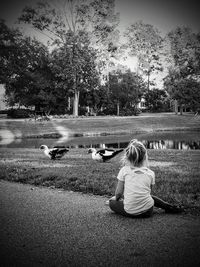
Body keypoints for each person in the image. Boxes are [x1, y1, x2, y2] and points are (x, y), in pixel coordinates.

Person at [108, 139, 184, 218]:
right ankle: (169, 207)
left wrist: (115, 198)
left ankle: (129, 205)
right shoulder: (150, 173)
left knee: (111, 203)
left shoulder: (124, 170)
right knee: (149, 196)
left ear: (127, 157)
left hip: (130, 211)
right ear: (144, 156)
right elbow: (148, 193)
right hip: (148, 211)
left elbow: (118, 193)